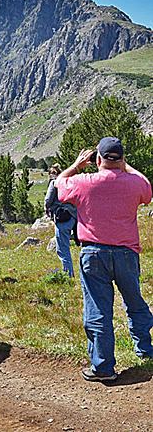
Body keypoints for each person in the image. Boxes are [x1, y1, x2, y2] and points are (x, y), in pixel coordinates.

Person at [56, 137, 153, 383]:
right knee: (135, 303)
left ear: (97, 159)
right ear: (120, 159)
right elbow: (146, 187)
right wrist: (124, 166)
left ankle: (103, 367)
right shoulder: (134, 183)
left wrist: (77, 165)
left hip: (94, 253)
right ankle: (145, 350)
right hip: (127, 253)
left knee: (98, 309)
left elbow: (60, 183)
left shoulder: (83, 182)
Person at [44, 164, 77, 277]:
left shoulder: (54, 182)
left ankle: (68, 274)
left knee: (62, 248)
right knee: (67, 245)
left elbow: (48, 199)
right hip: (72, 215)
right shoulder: (67, 182)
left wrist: (46, 209)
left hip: (62, 217)